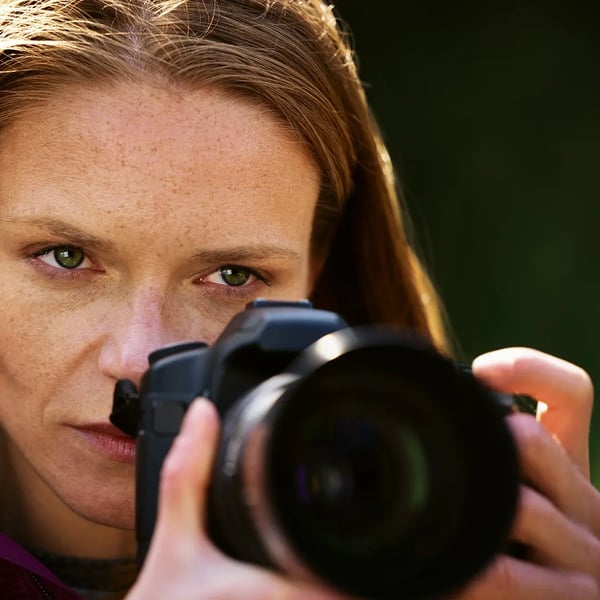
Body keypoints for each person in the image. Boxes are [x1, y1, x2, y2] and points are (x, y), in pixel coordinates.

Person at [0, 0, 597, 598]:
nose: (139, 356)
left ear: (320, 272)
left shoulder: (428, 551)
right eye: (65, 256)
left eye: (233, 275)